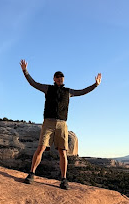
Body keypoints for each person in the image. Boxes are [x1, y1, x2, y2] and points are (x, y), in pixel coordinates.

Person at [20, 60, 102, 189]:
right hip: (48, 122)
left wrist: (95, 85)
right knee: (41, 148)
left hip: (62, 124)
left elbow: (82, 91)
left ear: (63, 79)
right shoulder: (48, 89)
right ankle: (31, 174)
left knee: (63, 152)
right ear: (54, 79)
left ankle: (64, 179)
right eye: (57, 77)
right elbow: (33, 83)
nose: (60, 78)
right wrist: (25, 71)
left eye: (61, 77)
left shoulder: (68, 92)